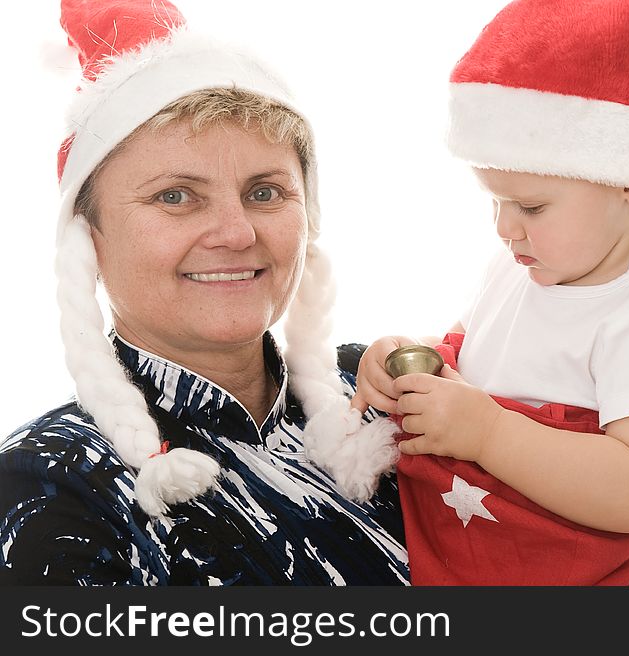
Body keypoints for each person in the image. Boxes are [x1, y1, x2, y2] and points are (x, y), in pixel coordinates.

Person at [0, 0, 407, 585]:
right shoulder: (51, 483)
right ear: (90, 240)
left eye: (265, 193)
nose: (237, 234)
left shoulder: (380, 395)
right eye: (175, 196)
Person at [341, 0, 629, 585]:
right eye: (495, 202)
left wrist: (490, 433)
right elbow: (474, 353)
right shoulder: (524, 265)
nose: (504, 228)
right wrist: (408, 358)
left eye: (530, 206)